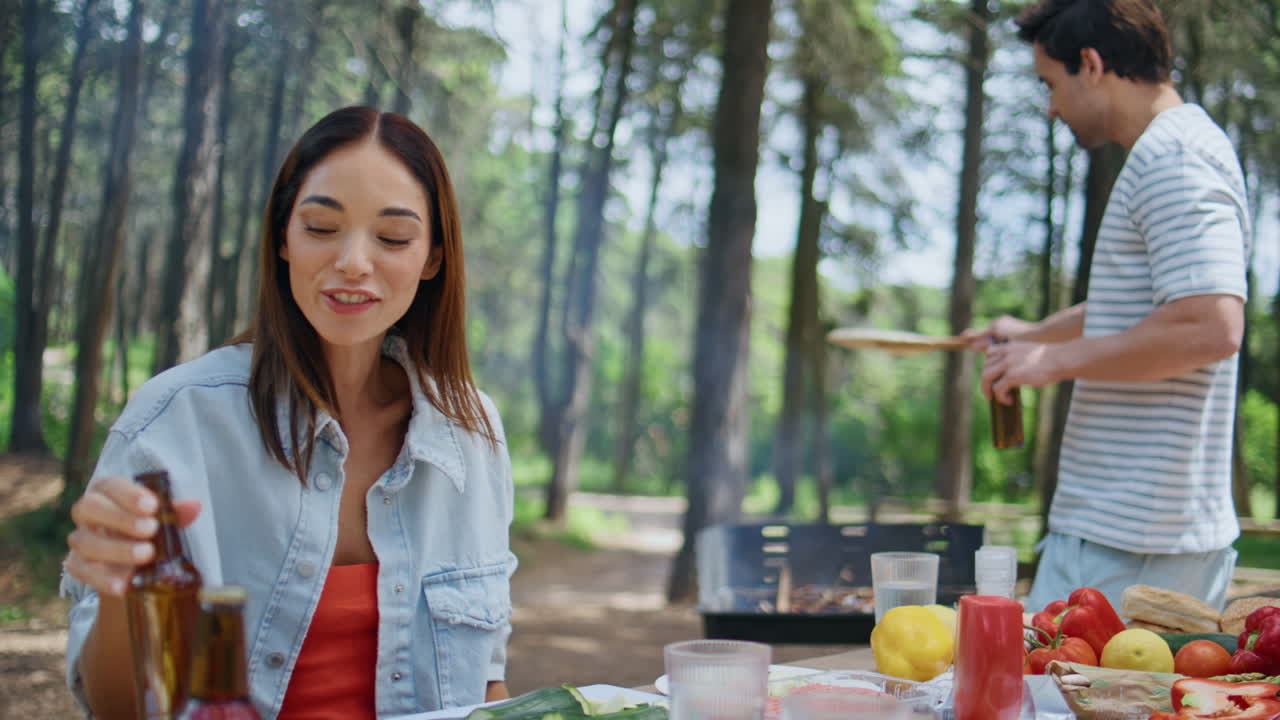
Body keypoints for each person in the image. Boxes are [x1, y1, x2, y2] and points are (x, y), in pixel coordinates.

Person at [60, 106, 516, 719]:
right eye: (322, 227)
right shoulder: (175, 421)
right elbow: (116, 708)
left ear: (433, 256)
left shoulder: (471, 432)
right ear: (282, 238)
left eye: (393, 237)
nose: (354, 261)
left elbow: (485, 689)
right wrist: (117, 588)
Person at [965, 0, 1250, 614]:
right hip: (1126, 530)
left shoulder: (1173, 160)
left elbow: (1210, 324)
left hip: (1134, 540)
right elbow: (1152, 309)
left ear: (1090, 65)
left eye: (1051, 83)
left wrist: (1054, 360)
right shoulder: (1171, 150)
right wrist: (1036, 333)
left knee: (1044, 707)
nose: (1051, 106)